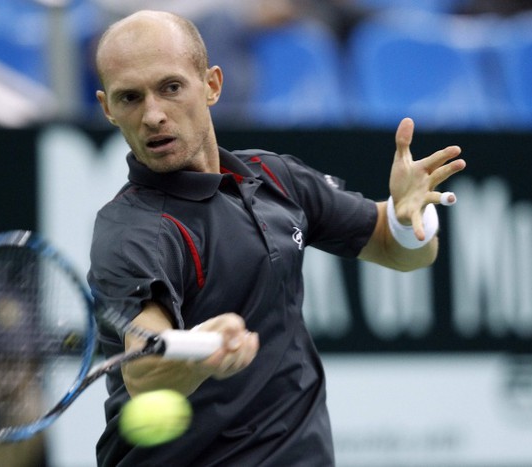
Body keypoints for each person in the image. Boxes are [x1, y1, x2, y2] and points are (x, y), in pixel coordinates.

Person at [88, 9, 466, 466]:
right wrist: (200, 352)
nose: (152, 115)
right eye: (130, 97)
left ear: (211, 85)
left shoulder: (273, 176)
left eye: (170, 87)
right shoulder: (132, 231)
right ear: (107, 108)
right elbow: (145, 369)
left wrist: (407, 219)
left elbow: (397, 249)